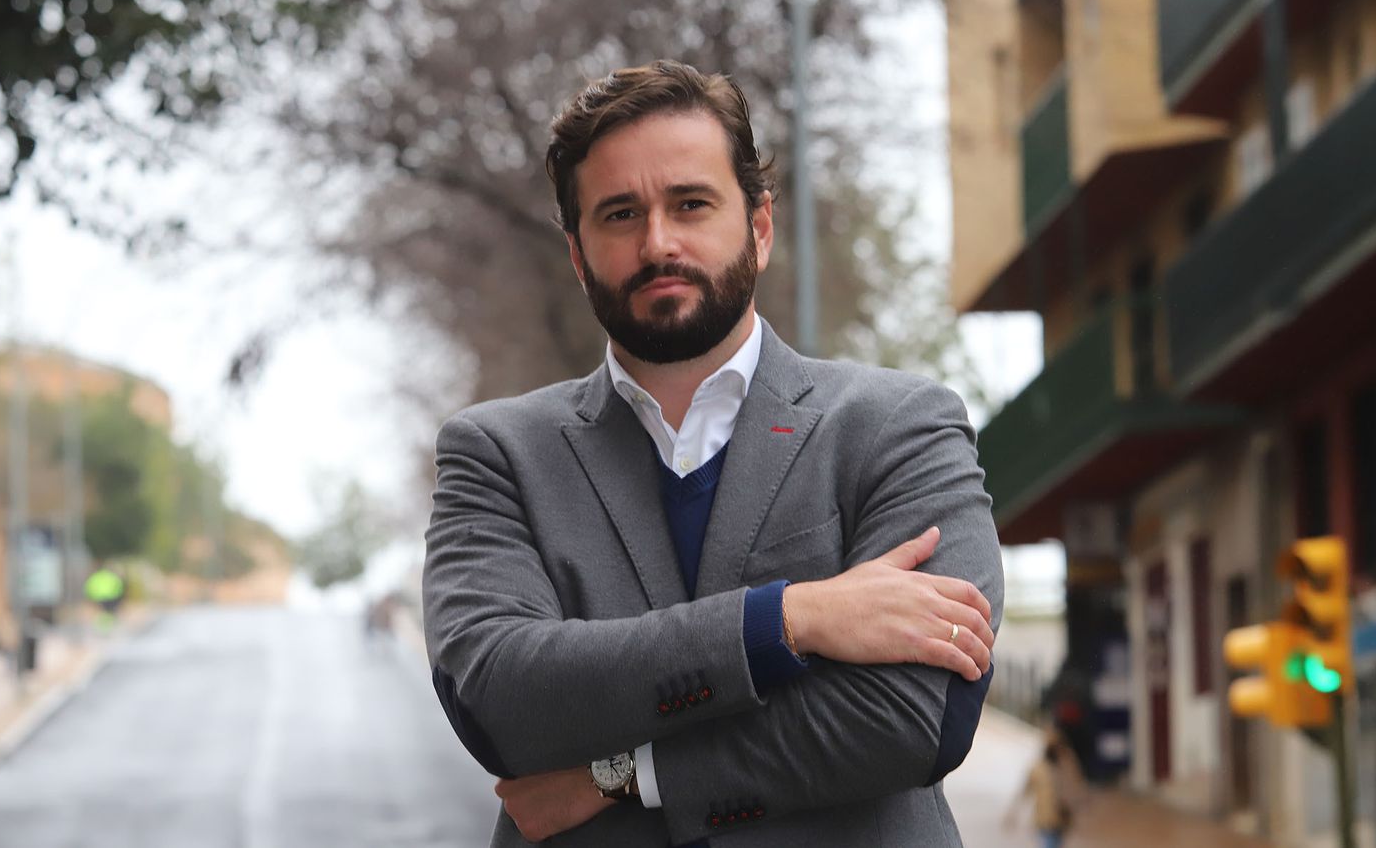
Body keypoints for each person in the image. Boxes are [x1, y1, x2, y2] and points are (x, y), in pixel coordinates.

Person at [424, 59, 1004, 846]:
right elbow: (502, 699)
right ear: (578, 253)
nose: (658, 242)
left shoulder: (898, 425)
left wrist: (619, 774)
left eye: (690, 204)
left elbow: (911, 717)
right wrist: (792, 618)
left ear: (759, 229)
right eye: (620, 214)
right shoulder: (496, 453)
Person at [1009, 729, 1085, 848]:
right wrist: (1013, 813)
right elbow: (1024, 791)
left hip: (1061, 820)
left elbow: (1077, 789)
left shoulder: (1067, 765)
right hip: (1044, 821)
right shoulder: (1038, 768)